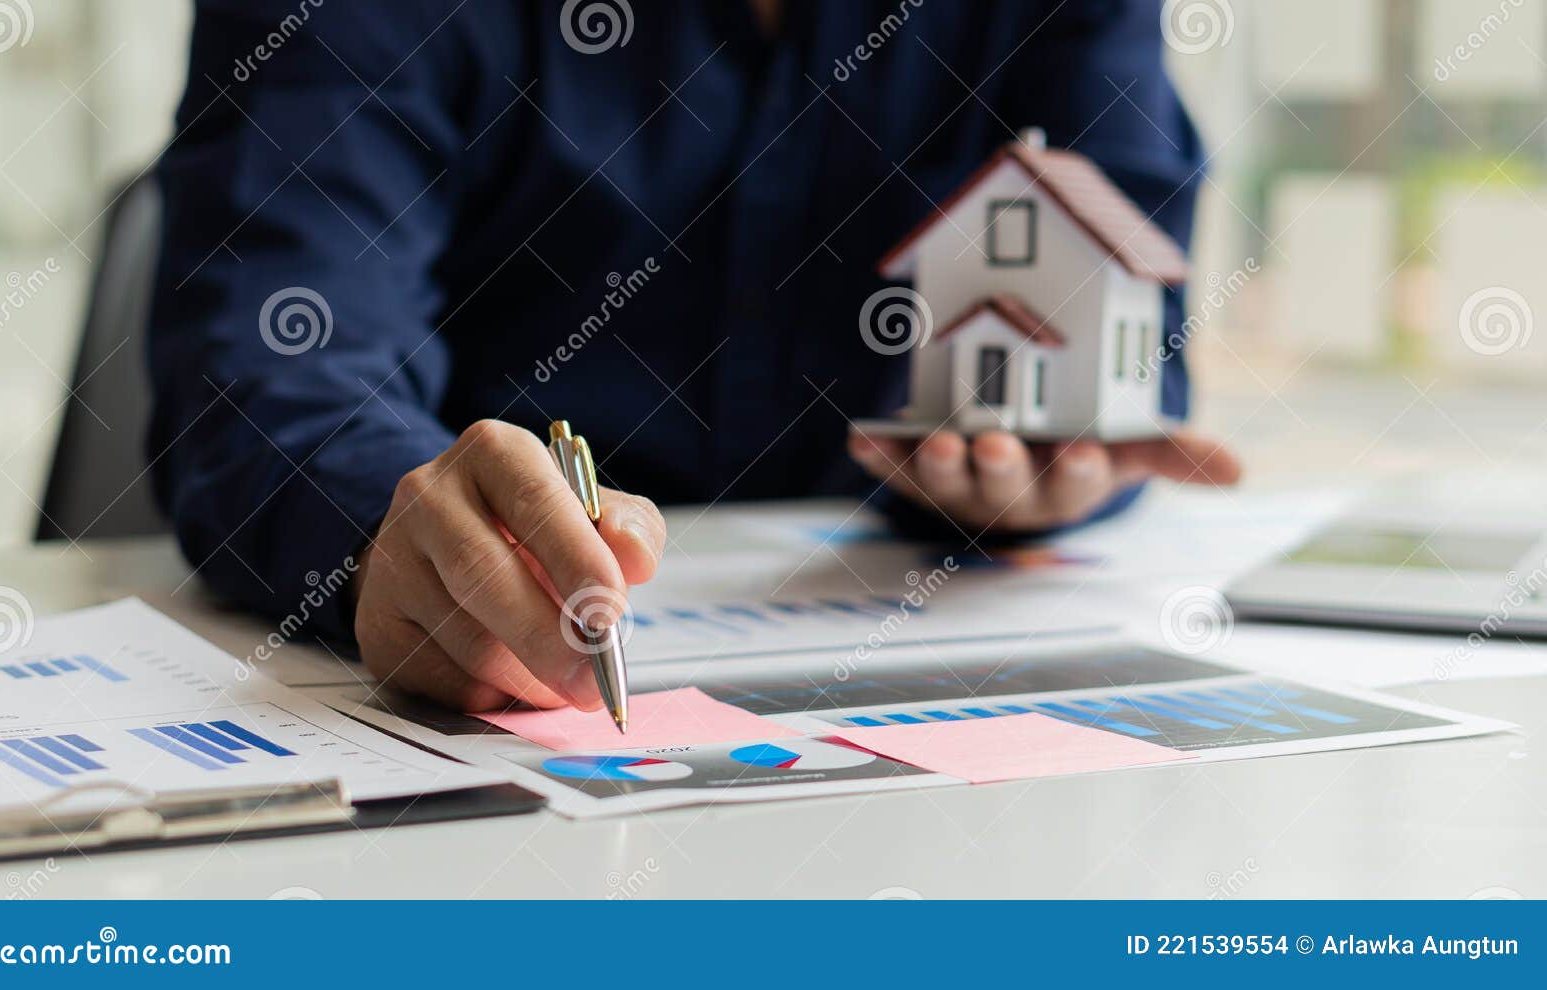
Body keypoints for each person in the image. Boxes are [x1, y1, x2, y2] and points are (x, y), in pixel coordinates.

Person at [148, 0, 1239, 713]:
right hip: (496, 663)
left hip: (907, 651)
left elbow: (1126, 291)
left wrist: (1045, 475)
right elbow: (276, 351)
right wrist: (393, 526)